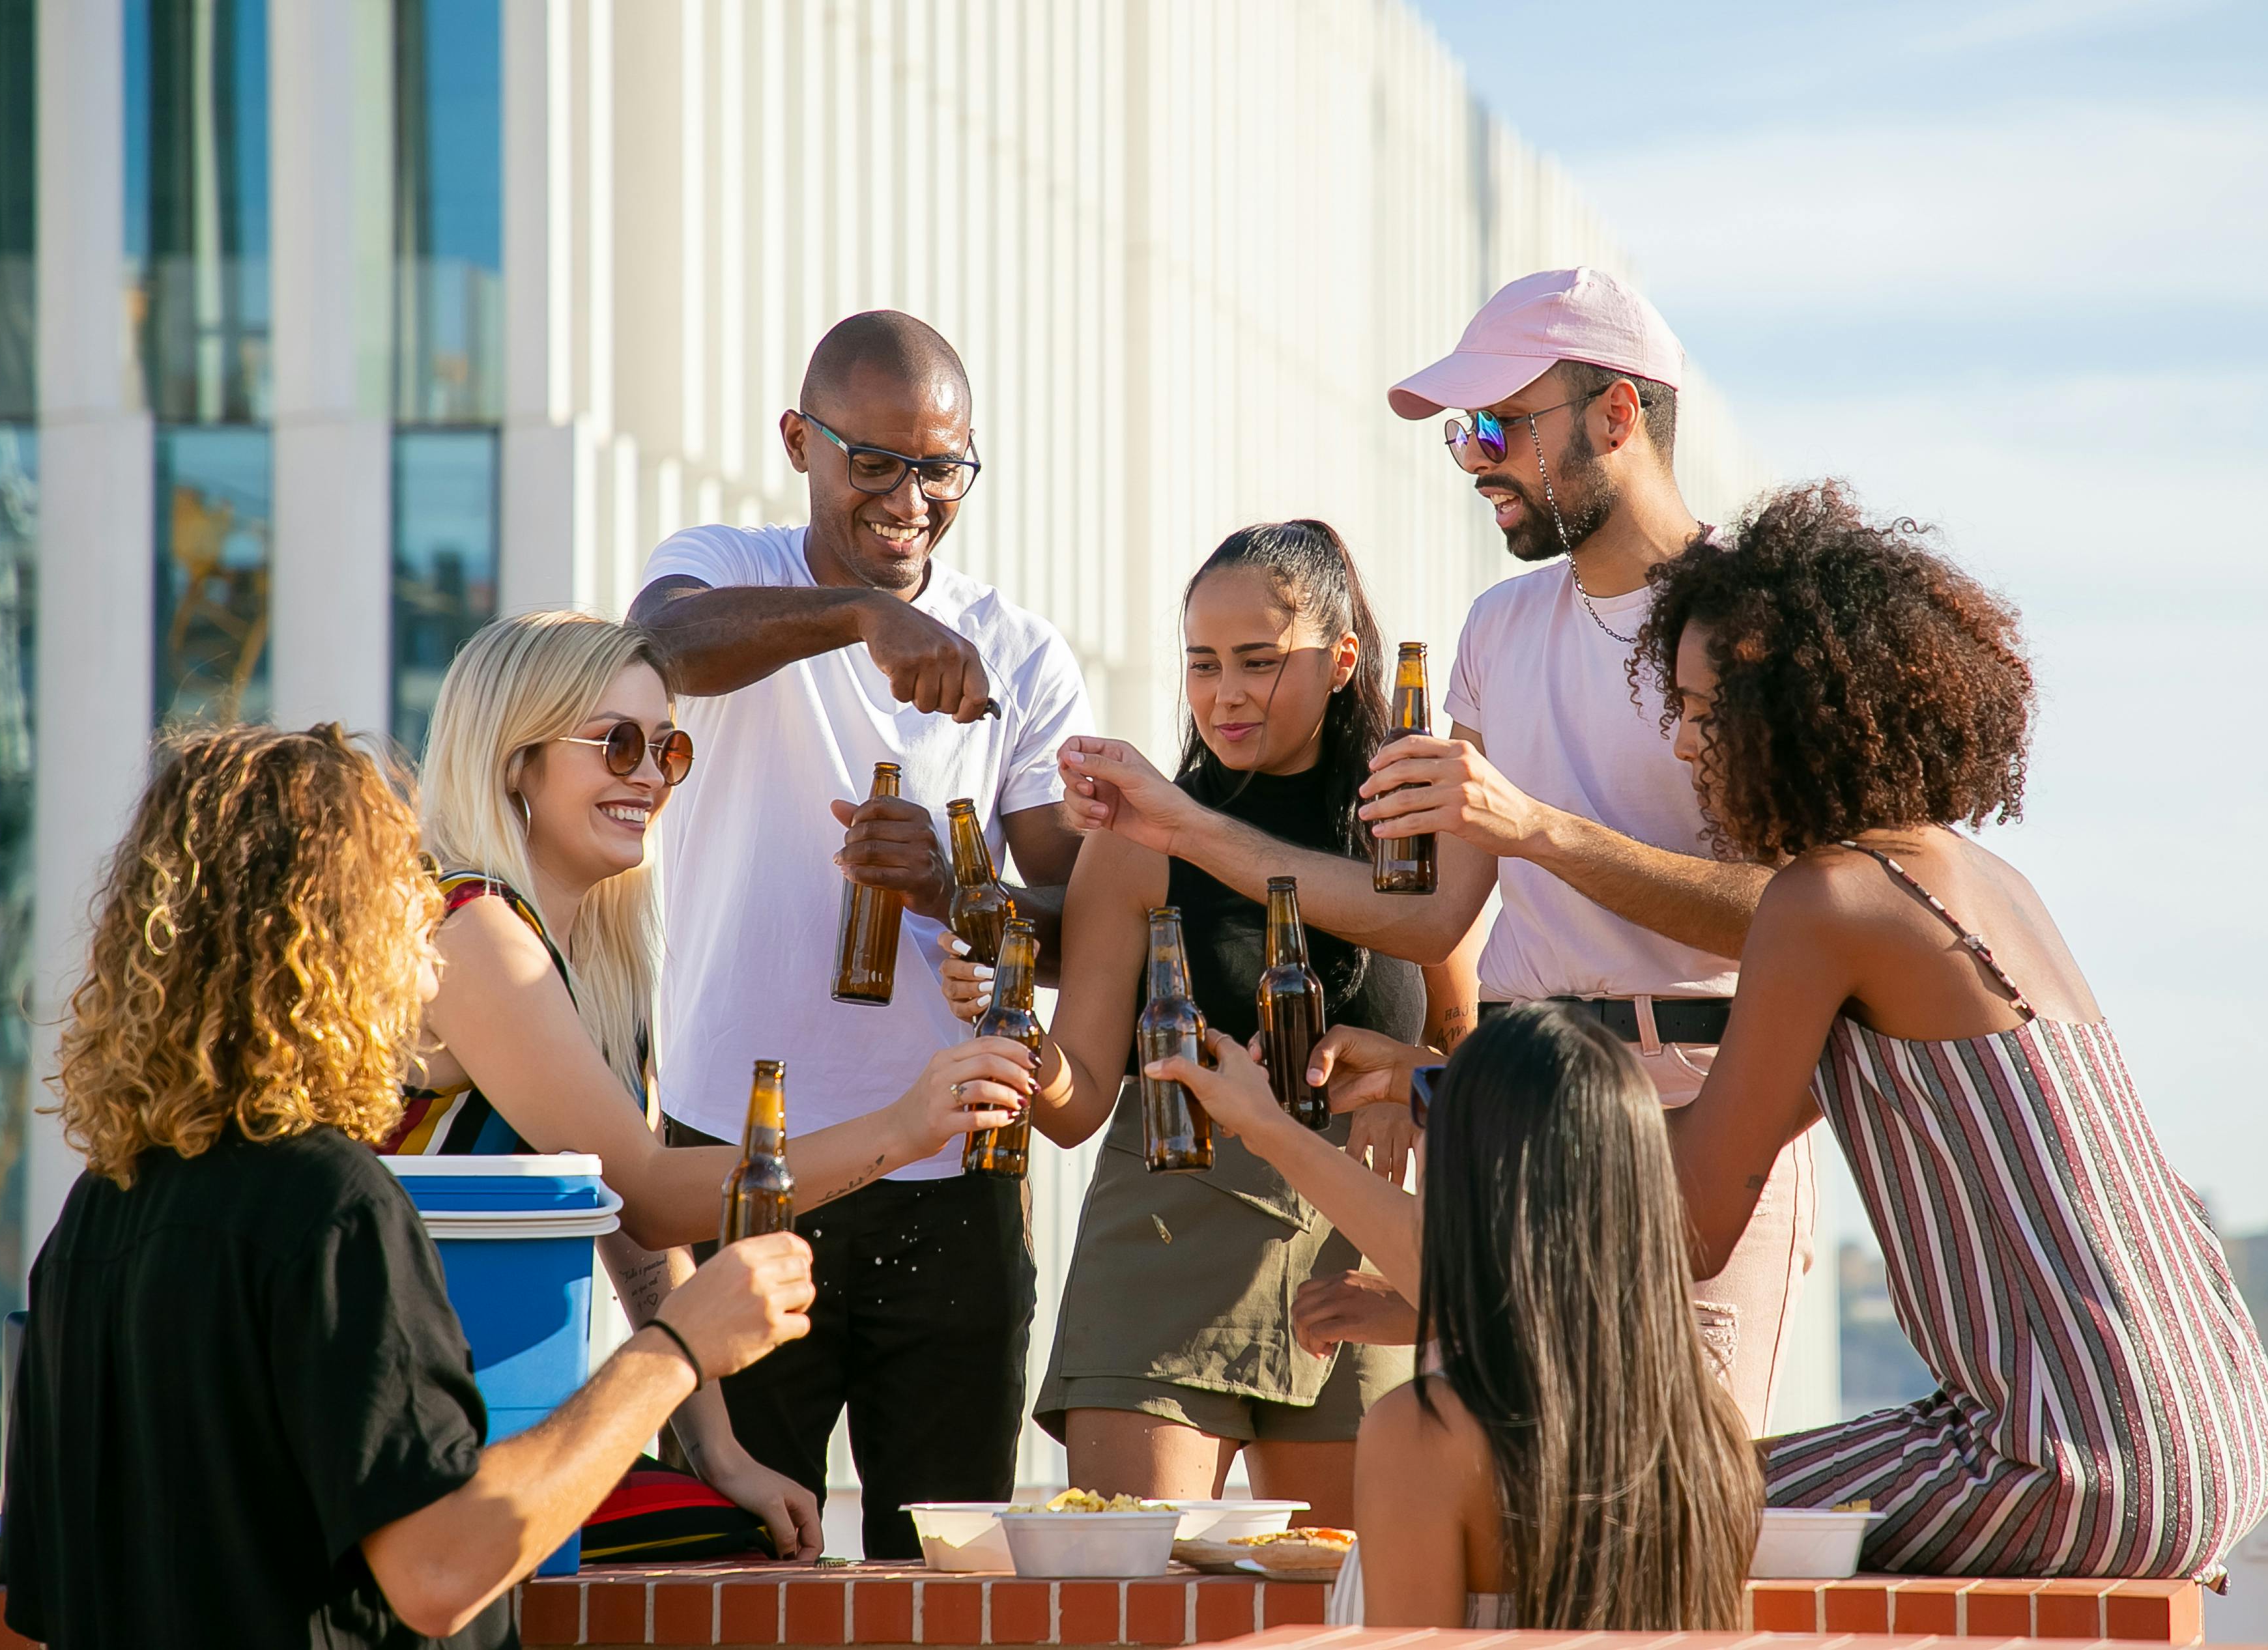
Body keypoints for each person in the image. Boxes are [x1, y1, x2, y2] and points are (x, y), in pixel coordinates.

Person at [1057, 268, 1814, 1430]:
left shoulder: (1759, 619)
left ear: (1616, 415)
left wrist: (1537, 830)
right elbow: (1422, 917)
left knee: (1684, 1526)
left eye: (1499, 426)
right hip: (1516, 1117)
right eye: (1463, 434)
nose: (1474, 463)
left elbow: (1812, 918)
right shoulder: (1496, 628)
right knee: (1523, 1536)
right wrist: (1184, 826)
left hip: (1707, 1117)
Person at [3, 724, 816, 1649]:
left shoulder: (92, 1222)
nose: (428, 929)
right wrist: (675, 1346)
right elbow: (437, 1569)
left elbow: (45, 1599)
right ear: (349, 935)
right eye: (405, 895)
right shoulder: (333, 1209)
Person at [1637, 481, 2268, 1574]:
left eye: (1706, 712)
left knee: (1620, 1514)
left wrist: (1472, 1146)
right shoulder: (1972, 880)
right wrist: (1458, 1096)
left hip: (2071, 1456)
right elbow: (1730, 1122)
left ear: (1782, 718)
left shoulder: (1828, 898)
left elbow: (1695, 1220)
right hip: (2217, 1431)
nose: (1686, 747)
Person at [398, 609, 1038, 1561]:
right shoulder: (477, 930)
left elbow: (620, 1226)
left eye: (667, 748)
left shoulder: (584, 952)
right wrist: (906, 1127)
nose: (649, 777)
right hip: (403, 1403)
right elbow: (655, 1199)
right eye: (616, 745)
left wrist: (718, 1447)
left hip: (480, 1385)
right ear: (513, 757)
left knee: (736, 1530)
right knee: (715, 1553)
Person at [627, 310, 1093, 1554]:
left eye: (939, 467)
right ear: (799, 440)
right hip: (738, 1153)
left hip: (954, 1174)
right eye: (872, 461)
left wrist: (958, 884)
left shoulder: (1020, 652)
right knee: (728, 1561)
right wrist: (857, 616)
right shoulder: (722, 561)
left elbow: (1077, 911)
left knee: (943, 1572)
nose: (908, 497)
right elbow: (659, 646)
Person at [934, 522, 1477, 1520]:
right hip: (1163, 1227)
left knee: (1344, 1613)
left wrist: (1413, 1080)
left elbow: (1474, 1049)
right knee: (1128, 1601)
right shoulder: (1140, 840)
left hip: (1352, 1258)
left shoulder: (1409, 832)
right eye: (1202, 663)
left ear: (1340, 658)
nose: (1224, 694)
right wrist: (1019, 1037)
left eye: (1259, 662)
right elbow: (1078, 1099)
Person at [1145, 1006, 1760, 1630]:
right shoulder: (1711, 1435)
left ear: (1479, 1175)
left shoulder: (1425, 1435)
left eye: (1437, 1103)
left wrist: (1266, 1125)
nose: (1420, 1130)